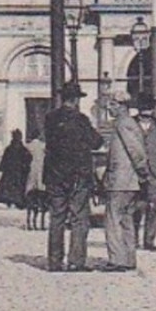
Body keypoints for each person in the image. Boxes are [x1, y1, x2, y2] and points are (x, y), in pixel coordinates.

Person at [43, 81, 104, 272]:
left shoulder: (50, 119)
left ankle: (54, 261)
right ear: (77, 99)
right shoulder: (81, 120)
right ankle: (76, 261)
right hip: (78, 175)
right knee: (79, 218)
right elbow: (96, 142)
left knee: (57, 217)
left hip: (55, 175)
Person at [96, 91, 156, 273]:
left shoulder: (123, 124)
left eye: (112, 105)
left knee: (113, 219)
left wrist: (143, 172)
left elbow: (136, 151)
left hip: (121, 180)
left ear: (121, 106)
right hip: (129, 181)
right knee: (126, 220)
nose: (110, 108)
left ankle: (117, 260)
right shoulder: (129, 123)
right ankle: (128, 259)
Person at [132, 92, 156, 253]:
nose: (147, 111)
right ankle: (133, 238)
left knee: (153, 206)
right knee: (136, 206)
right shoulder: (132, 124)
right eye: (144, 108)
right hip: (136, 173)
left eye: (149, 108)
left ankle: (149, 239)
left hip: (155, 172)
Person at [0, 130, 31, 209]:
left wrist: (2, 167)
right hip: (17, 173)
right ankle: (15, 202)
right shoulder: (22, 149)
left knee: (9, 187)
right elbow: (28, 159)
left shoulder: (11, 148)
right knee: (16, 187)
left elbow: (5, 160)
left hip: (11, 173)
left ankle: (10, 201)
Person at [23, 135, 47, 231]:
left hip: (32, 172)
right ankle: (41, 223)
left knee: (30, 200)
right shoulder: (43, 146)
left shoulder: (28, 146)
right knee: (42, 201)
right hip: (41, 172)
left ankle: (29, 222)